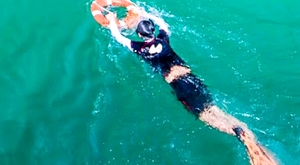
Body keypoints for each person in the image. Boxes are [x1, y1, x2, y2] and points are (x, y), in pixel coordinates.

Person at [104, 16, 279, 165]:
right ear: (153, 31)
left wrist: (112, 20)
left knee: (206, 116)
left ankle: (241, 136)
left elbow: (117, 36)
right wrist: (147, 15)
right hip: (190, 79)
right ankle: (244, 134)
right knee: (213, 109)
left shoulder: (141, 49)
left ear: (140, 35)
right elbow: (164, 25)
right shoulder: (163, 40)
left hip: (179, 86)